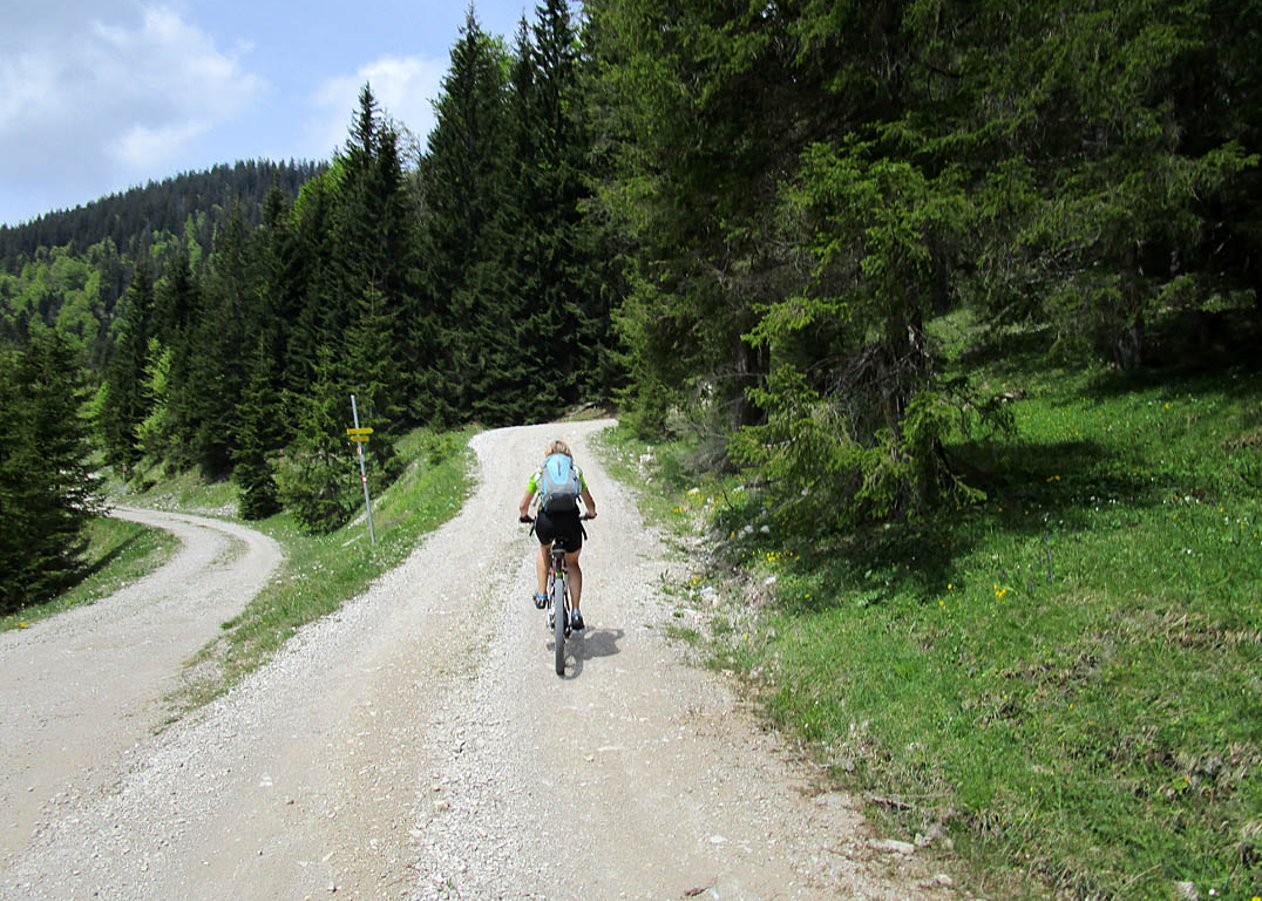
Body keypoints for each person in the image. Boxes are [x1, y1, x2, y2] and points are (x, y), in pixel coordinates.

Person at [519, 440, 597, 631]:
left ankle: (541, 594)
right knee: (572, 563)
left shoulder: (540, 472)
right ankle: (576, 611)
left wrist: (525, 516)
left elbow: (523, 506)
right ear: (568, 455)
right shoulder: (575, 472)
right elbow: (590, 504)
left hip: (547, 522)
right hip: (571, 523)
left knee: (544, 549)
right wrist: (591, 513)